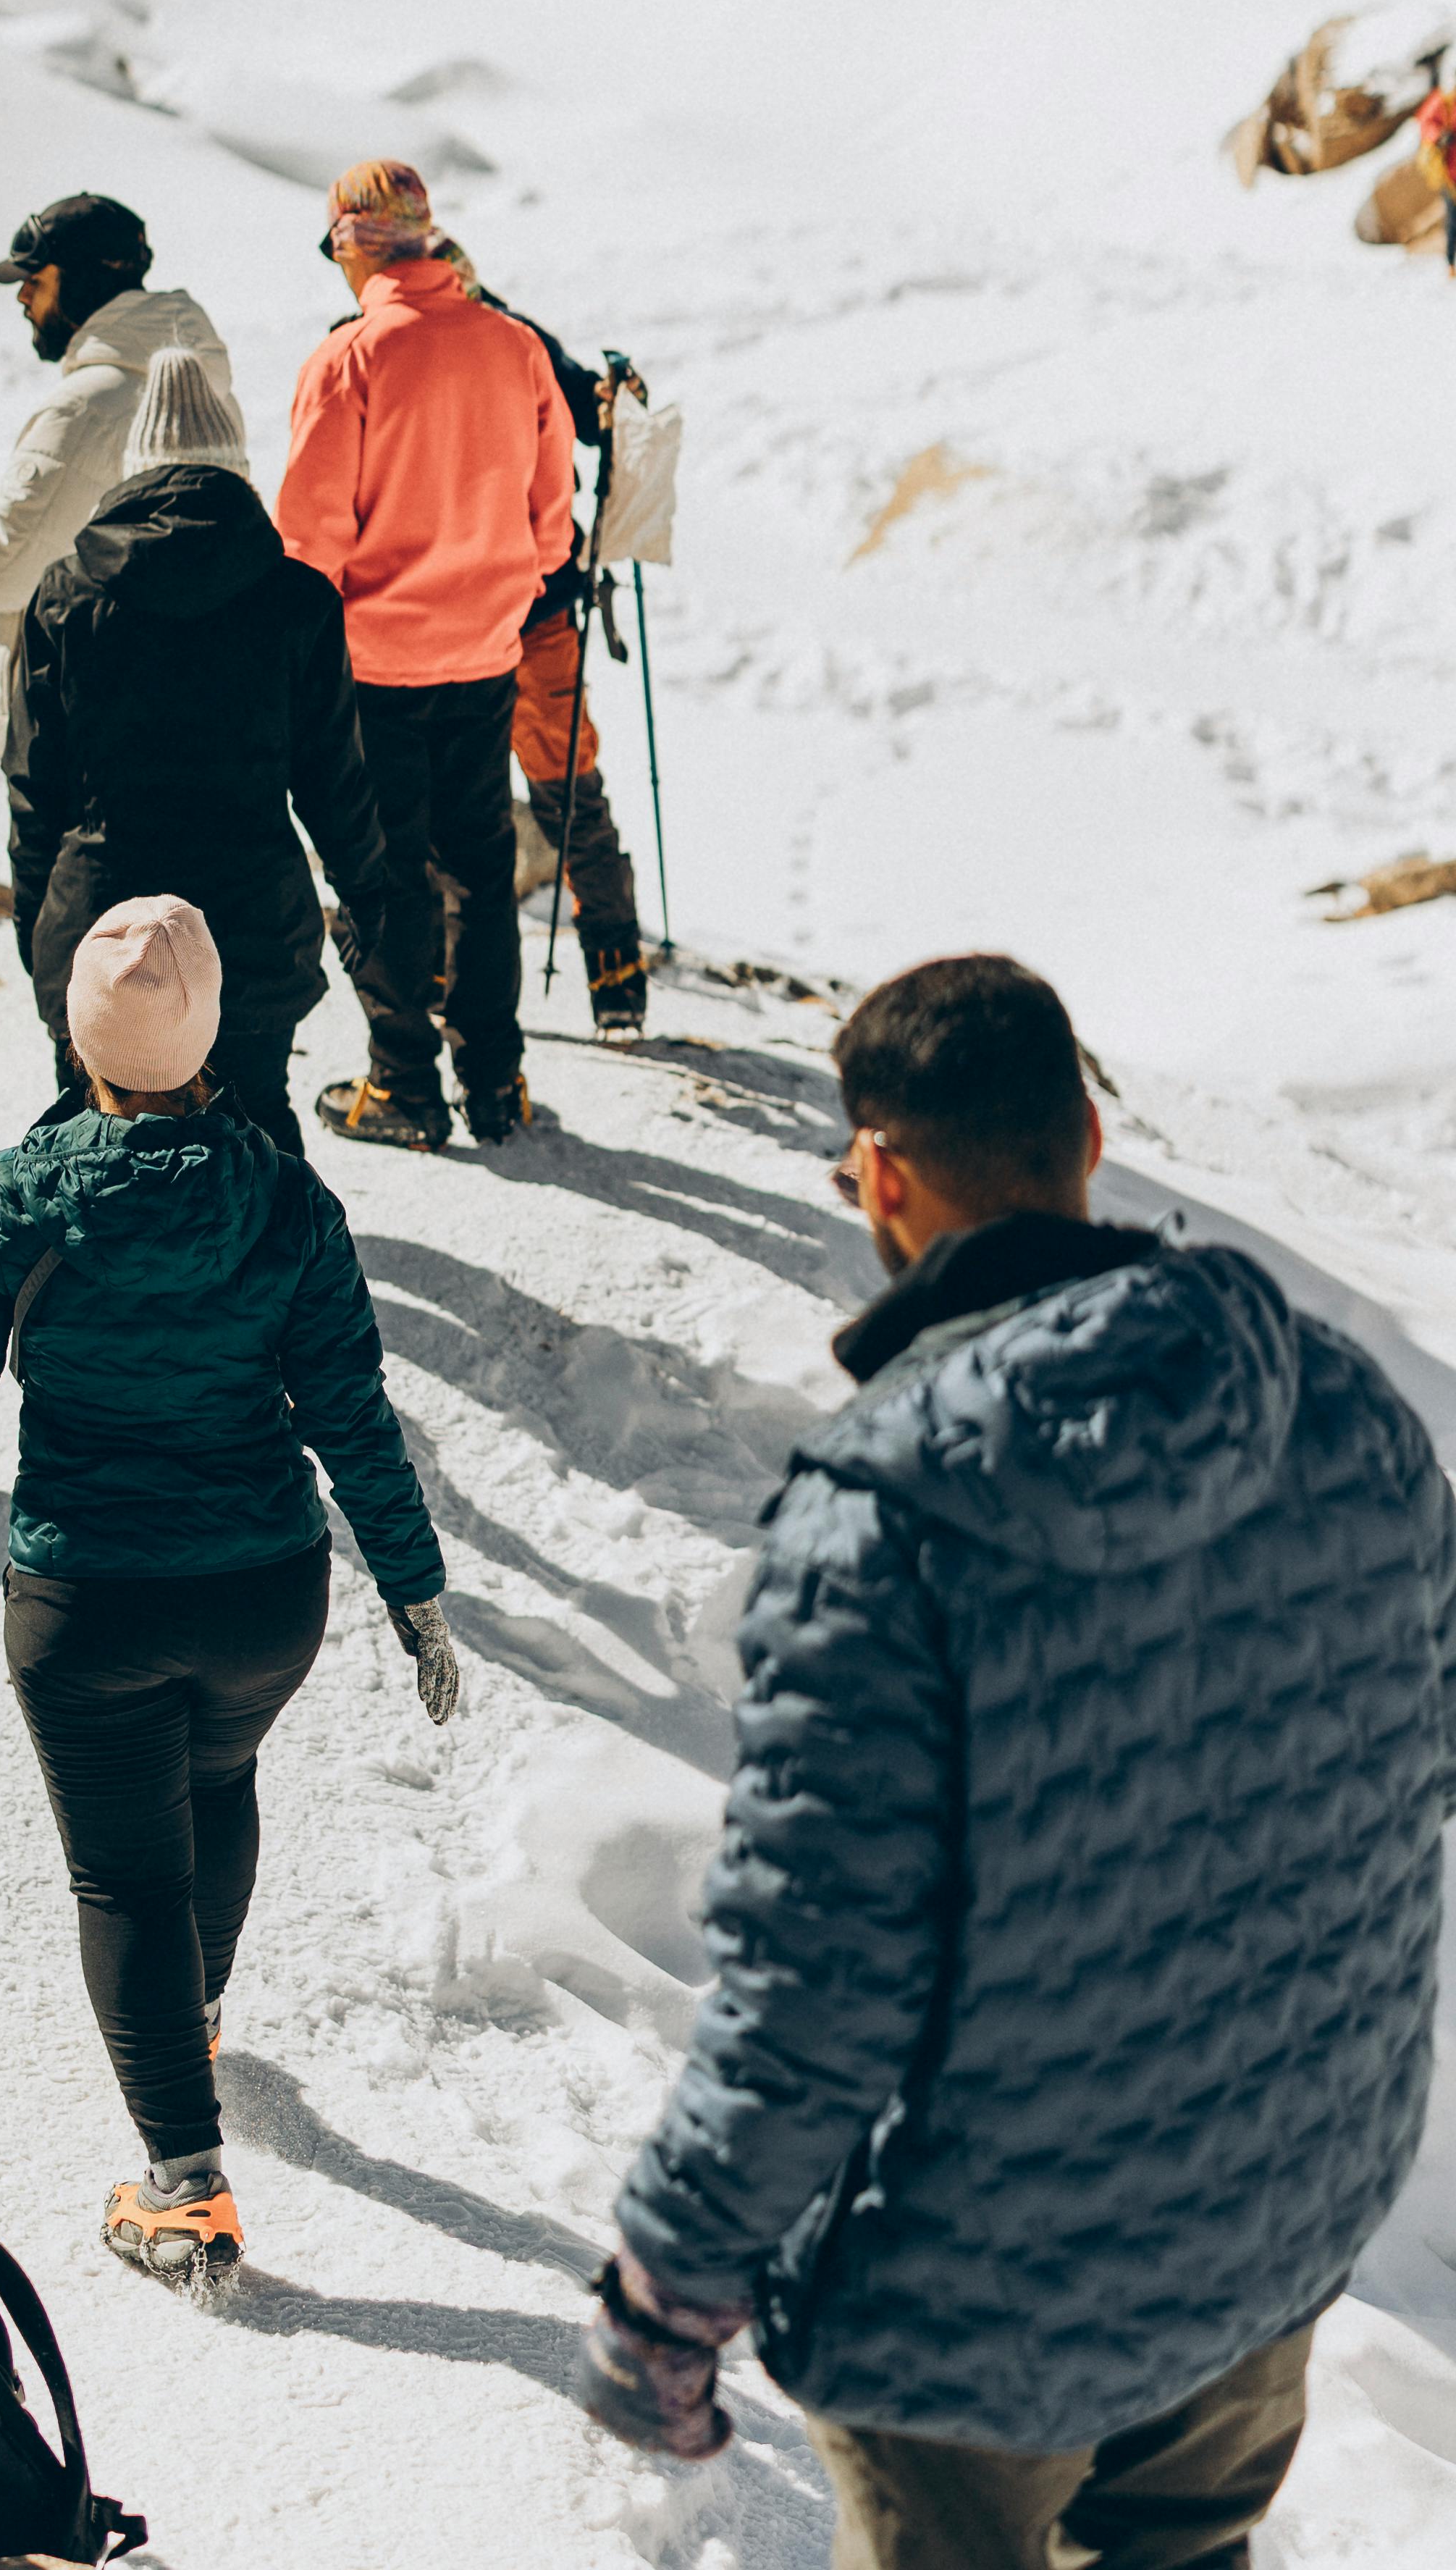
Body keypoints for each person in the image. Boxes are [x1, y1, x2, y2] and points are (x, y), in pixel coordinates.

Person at [576, 952, 1456, 2566]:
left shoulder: (884, 1524)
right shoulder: (1345, 1408)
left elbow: (813, 1987)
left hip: (984, 2292)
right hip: (1277, 2204)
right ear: (1092, 1147)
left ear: (883, 1180)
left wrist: (669, 2290)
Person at [0, 899, 457, 2294]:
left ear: (80, 1037)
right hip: (263, 1593)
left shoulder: (26, 1188)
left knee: (122, 1876)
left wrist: (14, 1258)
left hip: (89, 1595)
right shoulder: (280, 1194)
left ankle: (184, 2190)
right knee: (214, 1784)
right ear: (212, 1033)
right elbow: (351, 1412)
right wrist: (416, 1592)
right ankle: (190, 2020)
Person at [5, 345, 387, 1155]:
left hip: (101, 933)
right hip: (249, 927)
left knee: (94, 1165)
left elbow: (34, 794)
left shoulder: (65, 599)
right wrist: (367, 902)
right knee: (257, 1156)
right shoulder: (299, 601)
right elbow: (335, 782)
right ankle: (275, 1279)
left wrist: (44, 944)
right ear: (236, 472)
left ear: (136, 473)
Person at [274, 163, 573, 1150]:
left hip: (375, 665)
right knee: (482, 873)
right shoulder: (515, 349)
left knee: (385, 876)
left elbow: (309, 543)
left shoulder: (349, 361)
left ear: (356, 244)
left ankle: (404, 1084)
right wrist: (498, 589)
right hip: (484, 654)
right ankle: (497, 1082)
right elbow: (552, 527)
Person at [0, 193, 238, 706]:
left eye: (35, 279)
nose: (22, 297)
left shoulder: (86, 408)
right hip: (186, 707)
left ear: (82, 277)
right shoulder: (211, 397)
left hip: (81, 735)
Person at [436, 235, 648, 1037]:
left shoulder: (412, 351)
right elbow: (602, 424)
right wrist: (614, 395)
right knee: (569, 794)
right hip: (542, 611)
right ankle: (617, 980)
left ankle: (437, 975)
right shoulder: (522, 340)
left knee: (444, 795)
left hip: (450, 616)